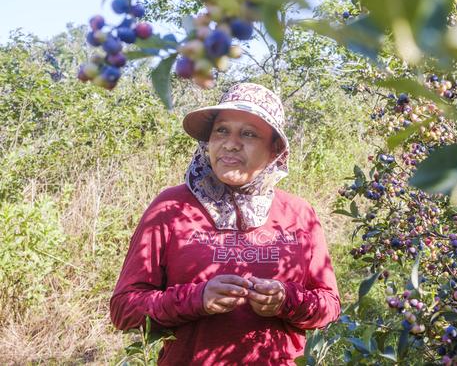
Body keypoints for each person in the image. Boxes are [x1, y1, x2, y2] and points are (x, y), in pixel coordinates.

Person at [110, 82, 340, 365]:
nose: (231, 143)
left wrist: (285, 300)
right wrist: (197, 299)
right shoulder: (171, 208)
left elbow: (329, 306)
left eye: (248, 133)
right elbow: (124, 309)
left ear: (274, 150)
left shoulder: (298, 214)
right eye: (221, 130)